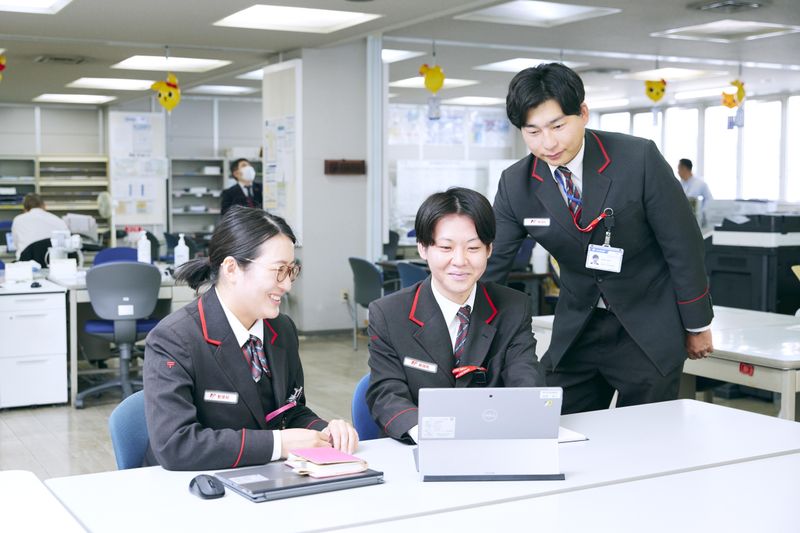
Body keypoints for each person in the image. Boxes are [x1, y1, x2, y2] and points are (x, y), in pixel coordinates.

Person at [483, 63, 713, 415]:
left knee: (645, 436)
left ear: (583, 113)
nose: (548, 143)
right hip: (578, 327)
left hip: (647, 324)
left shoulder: (637, 159)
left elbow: (683, 245)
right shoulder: (516, 184)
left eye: (558, 126)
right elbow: (492, 262)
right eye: (533, 131)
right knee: (548, 423)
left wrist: (697, 324)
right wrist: (469, 330)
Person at [143, 205, 358, 470]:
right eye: (278, 270)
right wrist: (278, 444)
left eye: (291, 271)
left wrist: (325, 431)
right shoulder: (174, 339)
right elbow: (176, 445)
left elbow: (290, 411)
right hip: (191, 484)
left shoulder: (281, 329)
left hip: (262, 475)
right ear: (232, 268)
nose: (287, 284)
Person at [367, 187, 545, 444]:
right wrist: (430, 433)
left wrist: (521, 419)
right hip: (419, 446)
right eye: (446, 247)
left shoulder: (514, 307)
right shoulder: (388, 313)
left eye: (473, 248)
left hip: (494, 442)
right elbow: (386, 393)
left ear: (489, 249)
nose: (460, 261)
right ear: (423, 248)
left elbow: (525, 378)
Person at [10, 193, 69, 260]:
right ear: (44, 206)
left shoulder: (18, 220)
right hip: (53, 262)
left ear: (25, 209)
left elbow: (16, 245)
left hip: (26, 262)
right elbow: (67, 244)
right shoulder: (58, 220)